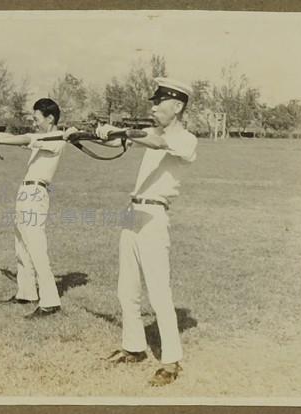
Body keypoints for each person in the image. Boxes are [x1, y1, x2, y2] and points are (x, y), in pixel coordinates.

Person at [74, 77, 198, 386]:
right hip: (133, 212)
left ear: (178, 106)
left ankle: (171, 361)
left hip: (154, 214)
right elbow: (120, 141)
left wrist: (120, 132)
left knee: (158, 290)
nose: (154, 107)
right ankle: (133, 347)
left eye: (160, 102)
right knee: (126, 287)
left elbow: (155, 142)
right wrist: (90, 134)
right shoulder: (150, 133)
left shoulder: (186, 139)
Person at [0, 98, 66, 319]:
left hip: (36, 194)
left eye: (37, 119)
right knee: (21, 245)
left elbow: (25, 138)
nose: (34, 123)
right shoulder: (45, 136)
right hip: (26, 192)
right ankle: (27, 292)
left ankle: (50, 301)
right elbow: (17, 137)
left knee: (36, 247)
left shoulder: (56, 139)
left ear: (50, 118)